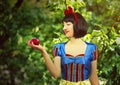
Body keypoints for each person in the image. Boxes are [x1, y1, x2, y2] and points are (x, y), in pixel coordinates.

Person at [27, 6, 100, 85]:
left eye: (68, 24)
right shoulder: (59, 48)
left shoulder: (91, 49)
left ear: (77, 25)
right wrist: (43, 51)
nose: (64, 28)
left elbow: (93, 77)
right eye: (63, 25)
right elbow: (56, 74)